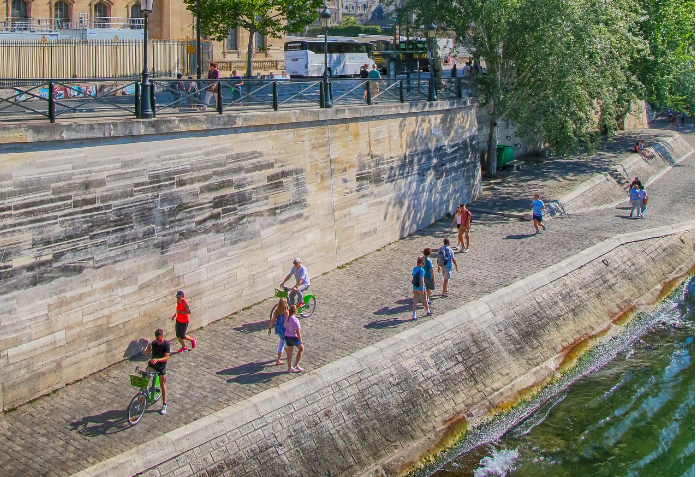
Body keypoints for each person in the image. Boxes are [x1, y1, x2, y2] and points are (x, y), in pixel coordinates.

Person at [144, 328, 170, 415]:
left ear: (162, 336)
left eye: (159, 339)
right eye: (156, 339)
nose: (158, 340)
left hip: (161, 366)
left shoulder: (166, 344)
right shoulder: (154, 343)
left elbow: (166, 358)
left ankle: (164, 404)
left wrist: (158, 360)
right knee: (145, 378)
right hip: (152, 364)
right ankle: (143, 395)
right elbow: (147, 354)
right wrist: (148, 349)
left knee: (162, 384)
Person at [268, 298, 288, 365]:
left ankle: (289, 354)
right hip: (284, 330)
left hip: (278, 328)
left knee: (284, 342)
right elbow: (288, 321)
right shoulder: (286, 312)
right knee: (282, 344)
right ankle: (278, 360)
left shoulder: (276, 311)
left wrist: (270, 328)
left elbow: (273, 320)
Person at [284, 305, 304, 372]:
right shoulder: (295, 320)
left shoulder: (287, 318)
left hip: (287, 337)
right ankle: (296, 364)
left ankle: (289, 367)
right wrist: (300, 340)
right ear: (295, 311)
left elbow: (285, 326)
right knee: (301, 349)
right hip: (294, 338)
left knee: (289, 353)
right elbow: (298, 331)